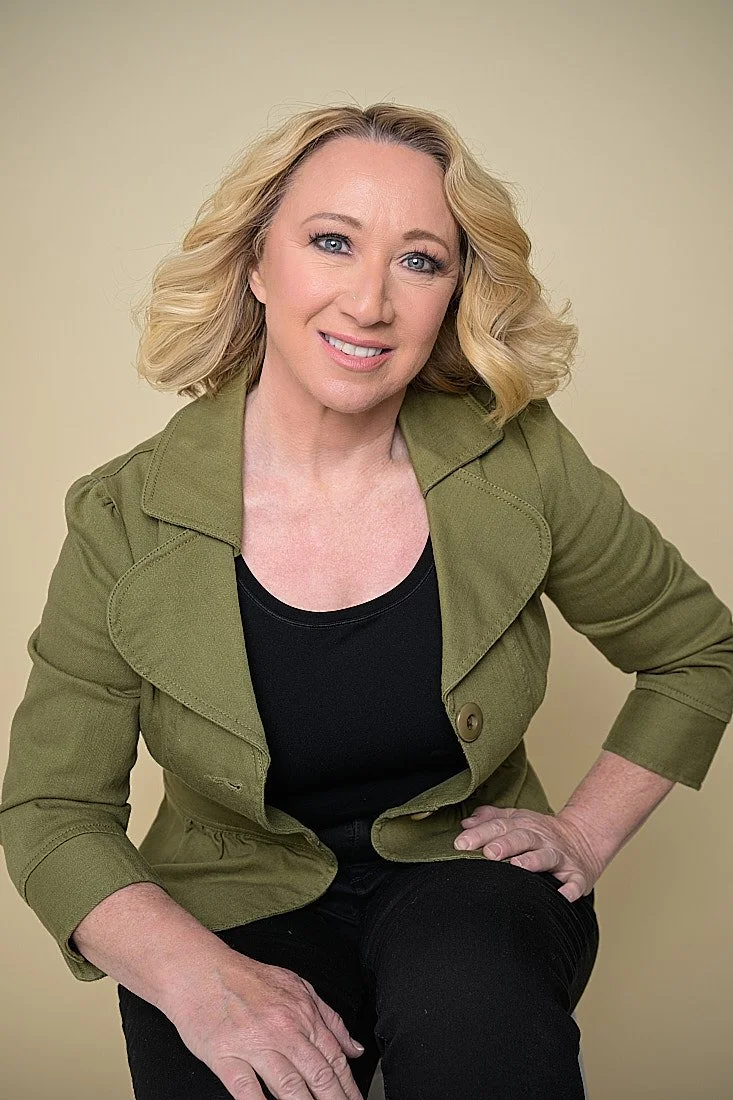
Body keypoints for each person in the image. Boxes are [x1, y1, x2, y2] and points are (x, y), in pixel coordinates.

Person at [1, 101, 732, 1100]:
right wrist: (194, 976)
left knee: (476, 1010)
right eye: (332, 241)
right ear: (259, 263)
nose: (370, 299)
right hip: (225, 902)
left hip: (462, 879)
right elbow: (52, 806)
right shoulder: (124, 517)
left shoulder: (520, 458)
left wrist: (584, 828)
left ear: (452, 294)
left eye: (420, 259)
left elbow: (697, 647)